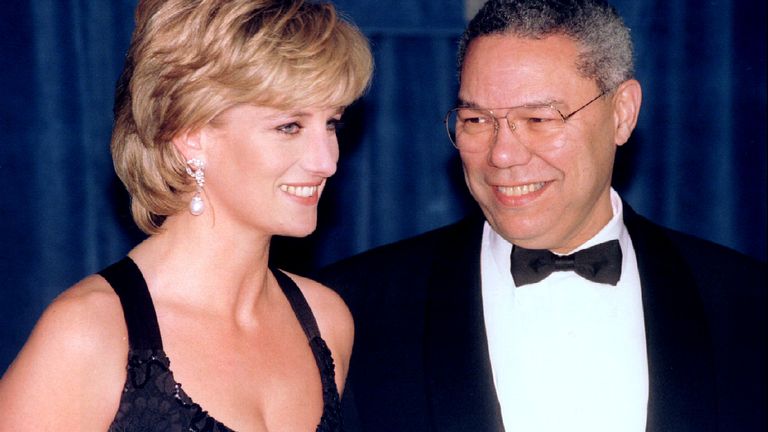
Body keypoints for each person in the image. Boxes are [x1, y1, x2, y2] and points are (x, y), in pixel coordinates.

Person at [317, 0, 766, 431]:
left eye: (538, 119)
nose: (503, 154)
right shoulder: (352, 311)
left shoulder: (745, 304)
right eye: (476, 120)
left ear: (622, 113)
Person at [0, 0, 372, 430]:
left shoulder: (326, 320)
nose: (326, 161)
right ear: (190, 134)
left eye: (332, 123)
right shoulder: (91, 334)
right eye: (289, 127)